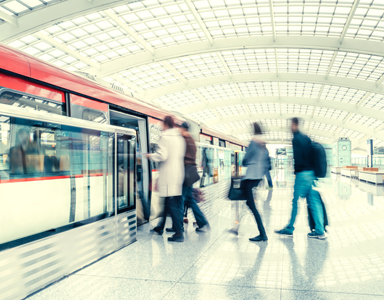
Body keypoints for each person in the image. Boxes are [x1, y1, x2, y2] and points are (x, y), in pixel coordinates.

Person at [275, 117, 326, 239]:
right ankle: (320, 230)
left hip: (303, 174)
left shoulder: (296, 139)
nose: (290, 127)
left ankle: (290, 228)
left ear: (294, 125)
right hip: (312, 173)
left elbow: (298, 158)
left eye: (291, 124)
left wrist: (296, 171)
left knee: (295, 201)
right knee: (314, 202)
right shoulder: (306, 138)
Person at [147, 116, 186, 242]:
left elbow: (162, 155)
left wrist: (150, 156)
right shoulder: (179, 138)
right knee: (168, 203)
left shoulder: (165, 137)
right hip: (177, 173)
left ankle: (179, 233)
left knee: (171, 204)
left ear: (165, 124)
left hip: (168, 175)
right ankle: (160, 227)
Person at [174, 121, 209, 232]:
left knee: (180, 200)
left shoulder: (183, 140)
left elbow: (179, 157)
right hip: (191, 172)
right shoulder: (192, 140)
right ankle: (202, 223)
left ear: (183, 129)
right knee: (189, 199)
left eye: (179, 128)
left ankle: (178, 227)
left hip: (185, 173)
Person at [242, 122, 268, 242]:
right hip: (257, 178)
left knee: (251, 205)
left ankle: (262, 234)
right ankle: (236, 227)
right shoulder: (264, 145)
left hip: (251, 176)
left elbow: (245, 159)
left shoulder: (253, 142)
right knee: (249, 203)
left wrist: (246, 161)